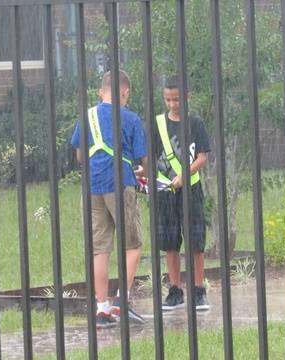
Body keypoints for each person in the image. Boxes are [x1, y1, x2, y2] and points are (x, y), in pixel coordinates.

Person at [70, 70, 148, 329]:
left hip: (92, 187)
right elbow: (144, 161)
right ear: (125, 92)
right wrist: (141, 172)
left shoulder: (87, 116)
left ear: (101, 91)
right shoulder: (131, 118)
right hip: (120, 183)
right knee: (132, 244)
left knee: (99, 248)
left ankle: (101, 309)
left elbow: (80, 156)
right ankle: (122, 303)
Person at [153, 75, 211, 311]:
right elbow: (151, 157)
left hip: (191, 188)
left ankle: (198, 290)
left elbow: (203, 157)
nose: (173, 104)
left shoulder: (195, 123)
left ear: (187, 97)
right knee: (170, 242)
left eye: (177, 99)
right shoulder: (158, 124)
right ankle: (175, 290)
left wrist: (184, 175)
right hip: (166, 191)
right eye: (168, 99)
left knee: (195, 240)